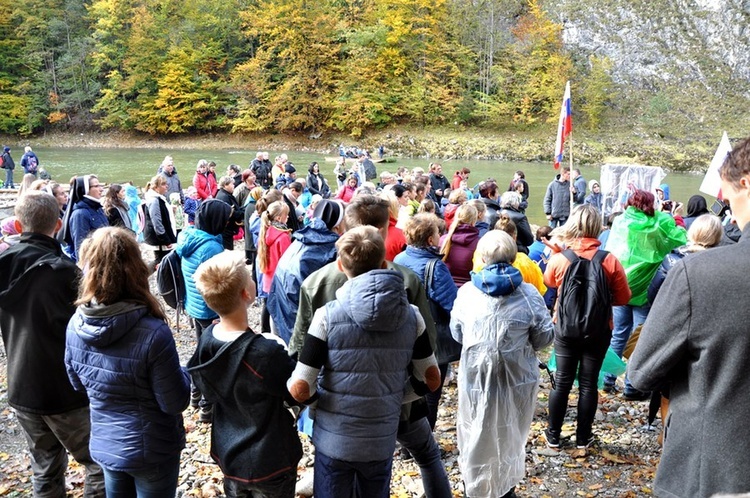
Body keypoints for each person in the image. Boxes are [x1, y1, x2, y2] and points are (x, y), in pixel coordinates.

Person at [290, 195, 452, 498]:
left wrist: (318, 402)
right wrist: (395, 396)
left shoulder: (316, 283)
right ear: (383, 239)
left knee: (331, 467)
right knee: (427, 457)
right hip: (393, 409)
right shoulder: (406, 280)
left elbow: (299, 356)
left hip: (335, 414)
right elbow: (428, 355)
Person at [628, 136, 750, 498]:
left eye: (727, 193)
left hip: (717, 470)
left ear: (746, 182)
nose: (725, 204)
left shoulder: (699, 274)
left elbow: (641, 371)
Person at [65, 227, 190, 497]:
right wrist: (185, 374)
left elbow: (77, 383)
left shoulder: (75, 324)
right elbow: (174, 401)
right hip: (153, 451)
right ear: (136, 268)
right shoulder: (153, 331)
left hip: (107, 444)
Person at [0, 192, 105, 497]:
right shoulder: (63, 272)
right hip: (63, 390)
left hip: (20, 383)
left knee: (44, 467)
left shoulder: (3, 265)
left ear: (18, 225)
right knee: (97, 462)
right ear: (59, 225)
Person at [188, 251, 302, 498]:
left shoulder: (206, 340)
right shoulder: (265, 352)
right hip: (271, 459)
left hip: (230, 455)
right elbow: (295, 393)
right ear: (247, 293)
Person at [451, 230, 554, 498]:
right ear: (513, 256)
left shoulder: (466, 293)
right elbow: (543, 337)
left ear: (482, 257)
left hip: (477, 373)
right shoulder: (529, 294)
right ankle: (504, 489)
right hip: (516, 376)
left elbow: (457, 333)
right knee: (510, 431)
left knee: (476, 425)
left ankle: (474, 485)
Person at [542, 205, 631, 450]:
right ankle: (583, 438)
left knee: (562, 381)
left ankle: (553, 435)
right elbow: (624, 298)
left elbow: (548, 281)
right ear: (597, 228)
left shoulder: (561, 258)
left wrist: (558, 256)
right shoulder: (610, 260)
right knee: (589, 383)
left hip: (565, 328)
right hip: (599, 330)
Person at [603, 189, 686, 399]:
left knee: (619, 332)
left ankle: (608, 379)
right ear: (651, 205)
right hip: (645, 287)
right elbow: (680, 238)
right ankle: (632, 386)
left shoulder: (621, 222)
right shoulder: (657, 223)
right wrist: (673, 215)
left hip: (620, 285)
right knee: (640, 336)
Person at [394, 214, 458, 430]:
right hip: (432, 338)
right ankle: (424, 438)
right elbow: (452, 304)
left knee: (407, 385)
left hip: (402, 333)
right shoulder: (435, 267)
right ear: (430, 240)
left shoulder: (399, 259)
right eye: (438, 233)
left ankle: (405, 438)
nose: (440, 237)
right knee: (431, 389)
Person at [176, 199, 233, 422]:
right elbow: (218, 283)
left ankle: (195, 395)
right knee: (213, 360)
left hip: (195, 305)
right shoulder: (211, 247)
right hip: (210, 309)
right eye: (225, 218)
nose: (228, 221)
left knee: (202, 351)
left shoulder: (191, 236)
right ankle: (207, 406)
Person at [267, 199, 344, 344]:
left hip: (281, 311)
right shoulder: (328, 248)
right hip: (298, 320)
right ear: (338, 225)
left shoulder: (301, 238)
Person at [60, 175, 108, 262]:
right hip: (94, 264)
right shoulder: (80, 214)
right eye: (96, 186)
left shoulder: (98, 209)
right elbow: (80, 248)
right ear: (86, 189)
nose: (101, 189)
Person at [440, 203, 480, 287]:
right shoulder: (480, 243)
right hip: (469, 291)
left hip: (445, 289)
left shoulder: (443, 240)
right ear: (474, 221)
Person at [143, 174, 177, 267]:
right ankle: (143, 276)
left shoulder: (158, 198)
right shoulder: (154, 200)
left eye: (166, 184)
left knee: (162, 260)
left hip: (160, 238)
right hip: (159, 239)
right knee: (160, 260)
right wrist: (166, 240)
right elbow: (157, 222)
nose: (166, 186)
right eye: (163, 184)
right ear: (156, 187)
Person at [214, 175, 245, 250]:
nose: (234, 186)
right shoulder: (224, 197)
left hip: (225, 228)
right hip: (226, 229)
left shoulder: (223, 194)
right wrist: (243, 213)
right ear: (225, 185)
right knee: (228, 249)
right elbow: (231, 213)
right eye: (232, 184)